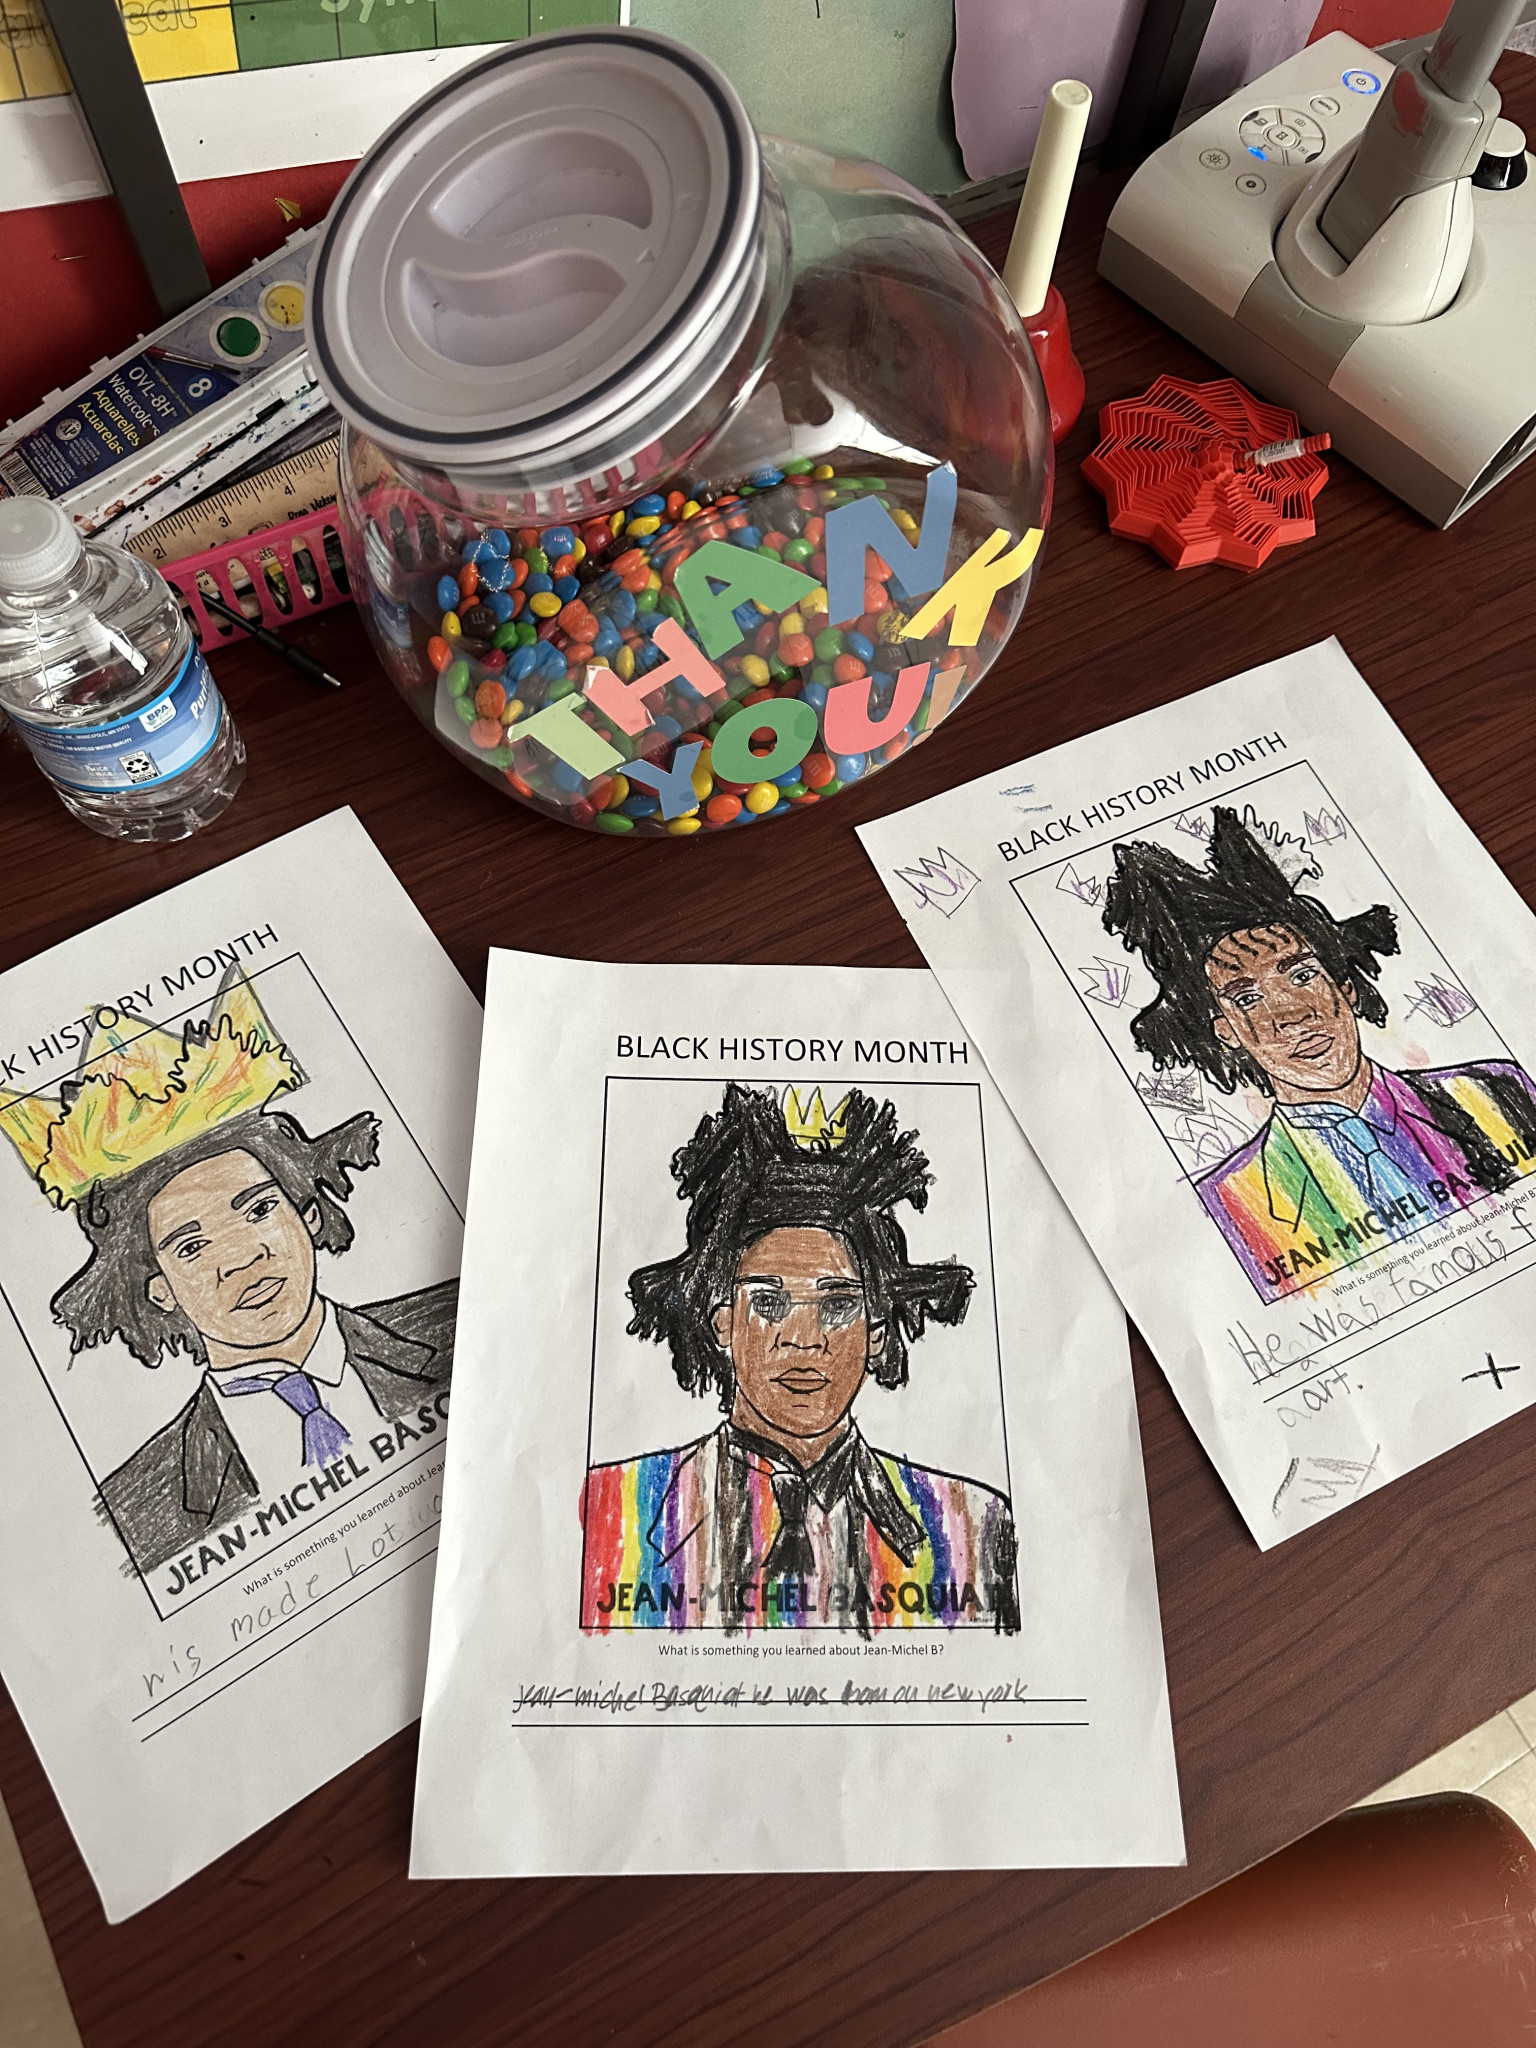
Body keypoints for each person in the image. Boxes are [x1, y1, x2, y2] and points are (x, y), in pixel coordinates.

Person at [0, 970, 455, 1577]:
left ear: (308, 1215)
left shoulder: (458, 1322)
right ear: (160, 1291)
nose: (242, 1258)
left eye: (259, 1210)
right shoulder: (137, 1511)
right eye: (191, 1246)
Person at [580, 1082, 1019, 1636]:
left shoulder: (972, 1526)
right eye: (769, 1302)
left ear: (876, 1332)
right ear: (722, 1323)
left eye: (837, 1304)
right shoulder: (613, 1511)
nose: (804, 1341)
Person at [1102, 807, 1536, 1299]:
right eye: (1248, 999)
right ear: (1227, 1031)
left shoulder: (1497, 1092)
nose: (1292, 1015)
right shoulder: (1233, 1201)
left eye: (1302, 975)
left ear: (1344, 987)